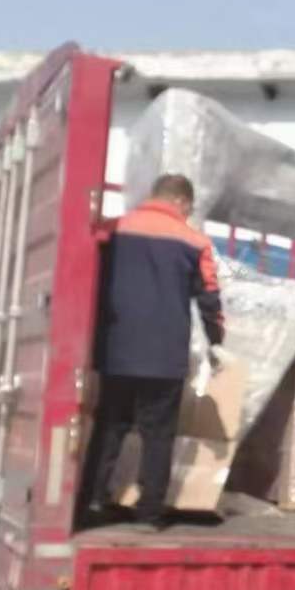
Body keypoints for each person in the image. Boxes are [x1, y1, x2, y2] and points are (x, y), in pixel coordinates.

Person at [78, 174, 225, 528]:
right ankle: (149, 513)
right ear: (181, 202)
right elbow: (209, 297)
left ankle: (91, 503)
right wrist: (216, 339)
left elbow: (86, 277)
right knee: (158, 435)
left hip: (116, 350)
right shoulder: (194, 241)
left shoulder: (112, 229)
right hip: (164, 357)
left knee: (109, 427)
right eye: (189, 208)